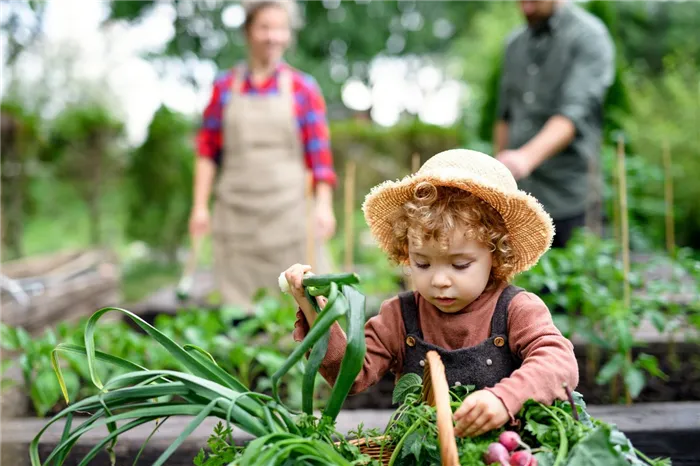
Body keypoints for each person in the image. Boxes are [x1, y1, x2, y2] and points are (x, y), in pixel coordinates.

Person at [284, 149, 579, 438]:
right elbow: (349, 376)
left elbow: (558, 362)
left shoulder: (517, 309)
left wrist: (505, 398)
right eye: (422, 263)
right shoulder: (400, 316)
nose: (439, 280)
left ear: (496, 255)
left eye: (460, 264)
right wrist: (316, 312)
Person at [191, 0, 337, 310]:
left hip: (290, 215)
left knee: (300, 307)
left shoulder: (303, 88)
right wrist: (200, 207)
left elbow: (319, 158)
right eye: (265, 27)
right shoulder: (224, 87)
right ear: (247, 32)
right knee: (238, 312)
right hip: (236, 217)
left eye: (281, 28)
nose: (273, 37)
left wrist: (324, 207)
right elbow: (207, 151)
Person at [494, 0, 615, 248]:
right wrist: (499, 176)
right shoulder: (514, 44)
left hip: (571, 197)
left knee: (578, 280)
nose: (526, 8)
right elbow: (505, 115)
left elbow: (572, 114)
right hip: (522, 200)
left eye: (533, 1)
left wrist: (525, 158)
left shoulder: (588, 36)